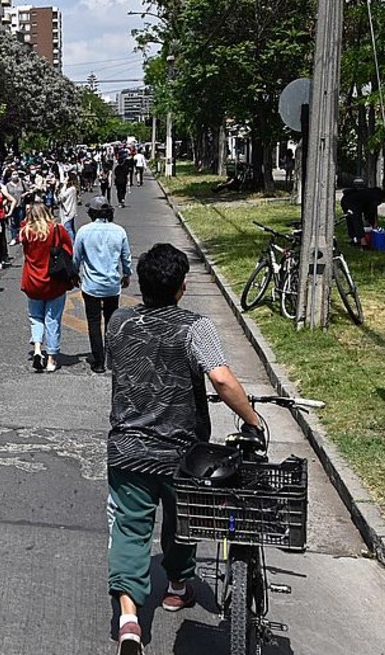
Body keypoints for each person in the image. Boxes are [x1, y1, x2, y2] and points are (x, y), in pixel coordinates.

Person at [106, 244, 264, 655]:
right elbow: (223, 381)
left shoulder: (119, 322)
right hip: (183, 454)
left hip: (128, 449)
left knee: (130, 528)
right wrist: (252, 420)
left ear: (141, 285)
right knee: (184, 524)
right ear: (181, 287)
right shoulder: (195, 328)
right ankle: (177, 587)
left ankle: (128, 619)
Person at [74, 197, 132, 374]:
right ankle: (111, 358)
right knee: (111, 321)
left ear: (91, 213)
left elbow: (77, 257)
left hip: (91, 285)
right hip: (112, 285)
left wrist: (74, 273)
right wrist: (127, 274)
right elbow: (126, 256)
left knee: (93, 322)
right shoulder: (119, 231)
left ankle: (98, 361)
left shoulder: (84, 231)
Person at [19, 204, 74, 373]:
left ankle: (37, 348)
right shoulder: (57, 229)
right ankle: (51, 357)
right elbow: (69, 250)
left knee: (36, 317)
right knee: (53, 319)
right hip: (54, 280)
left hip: (32, 280)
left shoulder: (26, 232)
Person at [3, 171, 28, 246]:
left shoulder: (22, 182)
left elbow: (28, 190)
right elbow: (6, 195)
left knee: (21, 222)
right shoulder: (7, 185)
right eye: (13, 174)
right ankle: (14, 238)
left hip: (21, 205)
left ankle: (21, 237)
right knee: (13, 223)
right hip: (12, 206)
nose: (15, 176)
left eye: (16, 174)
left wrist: (24, 195)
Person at [58, 173, 80, 241]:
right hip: (70, 210)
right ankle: (74, 242)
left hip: (68, 211)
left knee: (68, 228)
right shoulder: (73, 188)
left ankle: (72, 243)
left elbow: (62, 197)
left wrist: (64, 185)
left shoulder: (71, 189)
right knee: (71, 228)